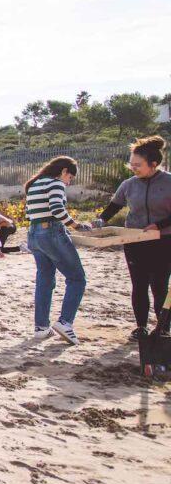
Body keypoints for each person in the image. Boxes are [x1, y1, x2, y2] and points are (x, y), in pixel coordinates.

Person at [95, 136, 171, 340]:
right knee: (139, 285)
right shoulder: (128, 184)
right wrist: (100, 221)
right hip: (134, 241)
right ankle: (141, 327)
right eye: (131, 164)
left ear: (153, 164)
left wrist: (160, 225)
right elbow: (114, 207)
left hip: (163, 241)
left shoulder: (169, 181)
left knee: (159, 285)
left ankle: (163, 328)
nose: (132, 168)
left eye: (138, 165)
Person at [24, 156, 90, 345]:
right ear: (64, 172)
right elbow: (57, 209)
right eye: (70, 177)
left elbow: (30, 213)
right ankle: (65, 322)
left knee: (44, 280)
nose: (69, 182)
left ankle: (41, 327)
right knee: (77, 278)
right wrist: (75, 225)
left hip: (34, 233)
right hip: (51, 232)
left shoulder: (35, 183)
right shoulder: (55, 183)